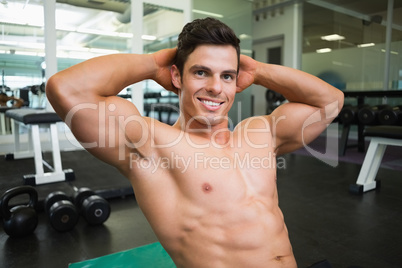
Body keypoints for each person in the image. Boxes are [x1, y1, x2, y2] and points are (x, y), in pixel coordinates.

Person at [46, 18, 344, 268]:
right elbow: (67, 89)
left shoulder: (260, 132)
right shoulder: (151, 145)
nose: (215, 87)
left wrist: (258, 72)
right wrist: (153, 64)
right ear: (177, 76)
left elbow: (330, 101)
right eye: (201, 72)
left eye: (227, 76)